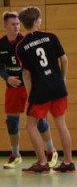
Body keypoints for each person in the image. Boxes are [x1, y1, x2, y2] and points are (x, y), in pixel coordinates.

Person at [16, 6, 74, 173]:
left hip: (40, 90)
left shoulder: (22, 46)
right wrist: (62, 78)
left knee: (30, 126)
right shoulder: (51, 37)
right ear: (35, 21)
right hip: (57, 86)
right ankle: (69, 162)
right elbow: (64, 60)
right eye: (39, 18)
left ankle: (42, 163)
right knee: (61, 123)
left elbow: (26, 75)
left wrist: (30, 94)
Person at [1, 11, 58, 169]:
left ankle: (51, 151)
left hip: (30, 86)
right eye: (13, 24)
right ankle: (15, 155)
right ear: (5, 26)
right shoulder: (1, 44)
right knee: (11, 122)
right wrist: (7, 78)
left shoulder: (25, 42)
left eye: (18, 24)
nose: (16, 27)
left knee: (39, 121)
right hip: (12, 88)